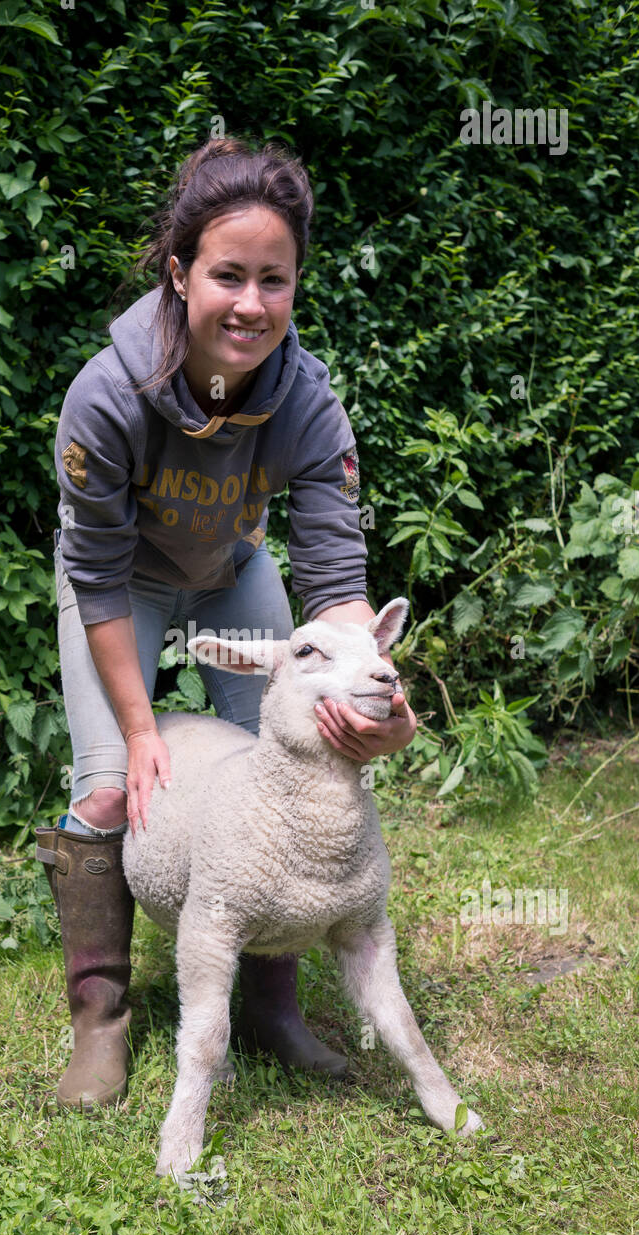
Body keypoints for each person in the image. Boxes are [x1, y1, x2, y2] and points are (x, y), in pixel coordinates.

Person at [34, 136, 417, 1110]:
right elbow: (93, 575)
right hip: (118, 589)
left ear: (295, 285)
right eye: (227, 275)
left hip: (232, 570)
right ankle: (102, 1021)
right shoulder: (108, 394)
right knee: (114, 788)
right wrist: (136, 729)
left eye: (274, 279)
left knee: (286, 768)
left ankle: (269, 1010)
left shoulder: (310, 403)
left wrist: (363, 693)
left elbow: (335, 581)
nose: (251, 302)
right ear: (179, 274)